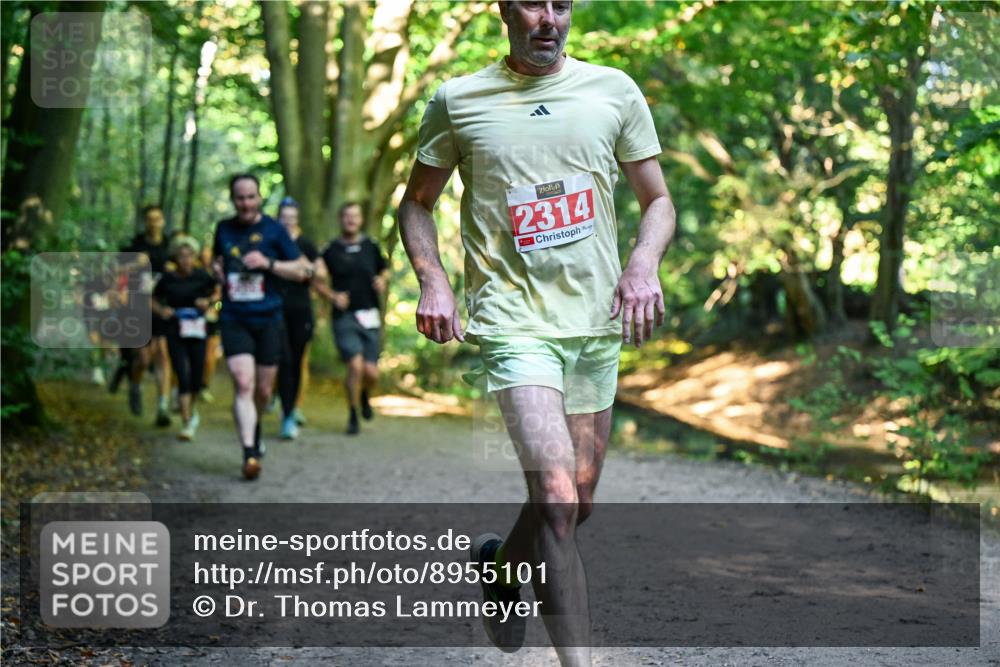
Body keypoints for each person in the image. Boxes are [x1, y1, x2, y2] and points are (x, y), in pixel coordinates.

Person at [397, 1, 676, 664]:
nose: (549, 18)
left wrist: (642, 264)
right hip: (513, 322)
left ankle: (500, 567)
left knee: (576, 501)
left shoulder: (614, 90)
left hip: (594, 324)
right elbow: (416, 203)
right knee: (553, 498)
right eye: (533, 3)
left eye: (562, 4)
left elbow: (657, 200)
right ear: (503, 10)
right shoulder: (458, 100)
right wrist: (432, 279)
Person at [211, 174, 312, 480]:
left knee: (264, 391)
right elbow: (217, 261)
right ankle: (249, 453)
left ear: (259, 198)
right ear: (233, 200)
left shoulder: (275, 230)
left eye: (251, 197)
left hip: (269, 319)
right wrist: (217, 271)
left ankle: (254, 429)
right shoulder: (223, 229)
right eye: (240, 198)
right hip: (234, 318)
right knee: (243, 383)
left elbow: (304, 269)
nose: (245, 203)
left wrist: (269, 264)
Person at [315, 202, 389, 435]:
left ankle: (365, 395)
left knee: (371, 372)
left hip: (370, 315)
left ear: (361, 220)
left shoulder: (371, 246)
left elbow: (385, 269)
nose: (351, 220)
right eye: (346, 216)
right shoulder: (330, 250)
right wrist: (332, 296)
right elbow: (315, 280)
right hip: (344, 317)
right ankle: (353, 414)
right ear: (340, 219)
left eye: (355, 216)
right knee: (355, 366)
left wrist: (382, 280)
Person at [152, 235, 219, 441]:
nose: (185, 260)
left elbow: (218, 293)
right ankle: (187, 421)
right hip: (175, 329)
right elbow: (151, 298)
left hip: (198, 330)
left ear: (195, 257)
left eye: (189, 256)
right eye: (181, 256)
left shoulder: (202, 276)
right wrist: (162, 310)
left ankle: (192, 408)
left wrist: (207, 302)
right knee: (182, 373)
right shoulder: (167, 278)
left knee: (197, 376)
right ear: (175, 258)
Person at [118, 204, 173, 425]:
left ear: (163, 221)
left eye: (157, 218)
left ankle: (163, 407)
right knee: (143, 357)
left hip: (164, 306)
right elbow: (118, 275)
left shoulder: (170, 247)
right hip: (138, 306)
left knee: (162, 355)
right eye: (150, 219)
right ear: (144, 221)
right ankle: (135, 384)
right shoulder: (134, 246)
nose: (154, 223)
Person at [273, 197, 320, 440]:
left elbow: (317, 272)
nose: (288, 221)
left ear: (297, 218)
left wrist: (303, 267)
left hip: (301, 310)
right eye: (284, 217)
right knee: (283, 361)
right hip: (275, 308)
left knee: (297, 360)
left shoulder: (306, 243)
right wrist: (297, 270)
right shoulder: (272, 240)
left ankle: (290, 412)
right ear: (278, 217)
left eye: (292, 217)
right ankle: (285, 410)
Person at [198, 240, 222, 404]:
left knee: (210, 356)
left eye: (209, 255)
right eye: (203, 255)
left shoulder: (217, 274)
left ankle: (204, 385)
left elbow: (220, 297)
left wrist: (215, 306)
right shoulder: (194, 273)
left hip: (213, 318)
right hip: (194, 318)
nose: (206, 258)